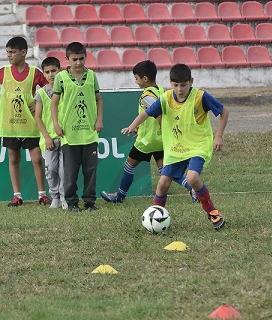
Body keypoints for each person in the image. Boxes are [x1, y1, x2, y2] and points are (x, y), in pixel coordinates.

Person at [121, 63, 229, 230]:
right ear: (170, 83)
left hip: (198, 146)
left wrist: (219, 136)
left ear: (191, 82)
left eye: (183, 85)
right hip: (176, 148)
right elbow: (146, 113)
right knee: (163, 183)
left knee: (192, 178)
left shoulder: (201, 97)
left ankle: (212, 212)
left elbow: (223, 111)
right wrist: (132, 126)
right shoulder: (166, 98)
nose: (179, 89)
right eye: (175, 85)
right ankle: (157, 217)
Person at [100, 60, 197, 204]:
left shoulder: (147, 96)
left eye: (136, 78)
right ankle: (192, 187)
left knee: (129, 165)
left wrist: (134, 126)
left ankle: (119, 196)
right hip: (160, 140)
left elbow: (158, 115)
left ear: (145, 79)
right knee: (165, 170)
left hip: (147, 141)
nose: (136, 82)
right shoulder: (160, 90)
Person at [0, 36, 51, 207]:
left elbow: (51, 88)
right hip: (10, 125)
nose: (9, 55)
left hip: (31, 125)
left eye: (12, 52)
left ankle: (42, 195)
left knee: (36, 158)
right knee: (13, 159)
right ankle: (17, 196)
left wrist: (40, 105)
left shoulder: (34, 72)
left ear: (23, 53)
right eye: (7, 52)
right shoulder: (4, 71)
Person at [50, 41, 104, 212]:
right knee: (70, 172)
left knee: (90, 170)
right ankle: (72, 202)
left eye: (81, 58)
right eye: (74, 59)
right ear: (67, 59)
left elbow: (98, 99)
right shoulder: (61, 78)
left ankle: (90, 202)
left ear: (86, 57)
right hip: (69, 133)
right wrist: (56, 124)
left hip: (89, 132)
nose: (78, 63)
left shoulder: (92, 76)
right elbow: (54, 103)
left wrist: (99, 120)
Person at [34, 56, 67, 209]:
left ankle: (65, 197)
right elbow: (38, 117)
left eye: (54, 70)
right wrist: (46, 136)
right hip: (48, 140)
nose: (51, 74)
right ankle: (55, 196)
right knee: (52, 169)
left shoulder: (67, 89)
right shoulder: (41, 93)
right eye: (47, 72)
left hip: (66, 137)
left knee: (64, 170)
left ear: (60, 70)